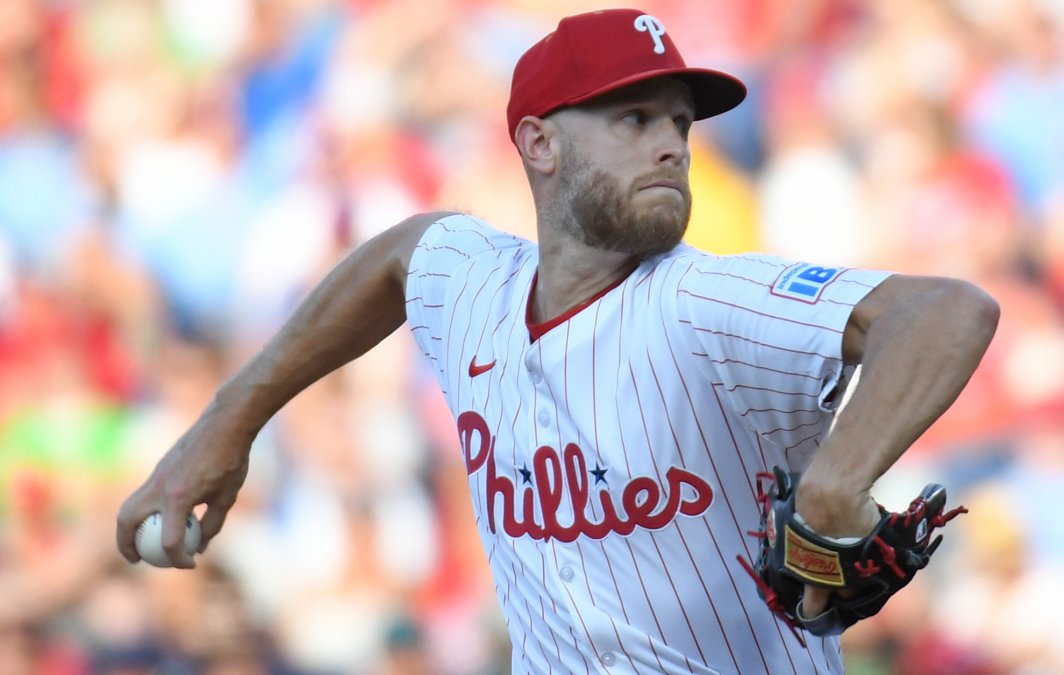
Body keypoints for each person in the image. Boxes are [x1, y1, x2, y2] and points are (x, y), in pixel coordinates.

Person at [115, 8, 1000, 674]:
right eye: (632, 119)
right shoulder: (475, 288)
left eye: (679, 124)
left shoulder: (706, 300)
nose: (670, 146)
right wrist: (228, 421)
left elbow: (947, 310)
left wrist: (838, 475)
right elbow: (397, 256)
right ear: (538, 141)